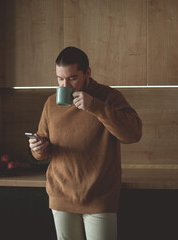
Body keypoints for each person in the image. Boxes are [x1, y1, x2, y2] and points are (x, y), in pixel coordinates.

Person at [28, 46, 142, 240]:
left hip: (99, 197)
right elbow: (41, 150)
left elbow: (133, 134)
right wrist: (38, 148)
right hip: (61, 195)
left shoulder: (109, 97)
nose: (65, 86)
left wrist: (95, 107)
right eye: (59, 79)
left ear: (87, 73)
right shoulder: (50, 103)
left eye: (72, 78)